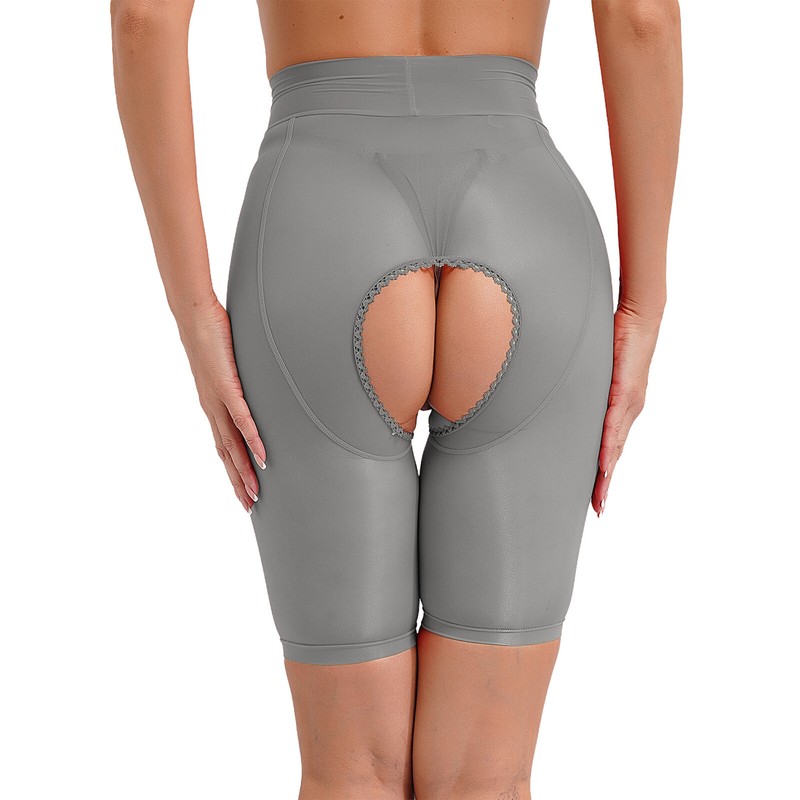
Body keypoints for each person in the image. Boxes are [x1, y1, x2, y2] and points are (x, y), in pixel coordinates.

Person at [111, 1, 682, 797]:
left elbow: (143, 17)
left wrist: (194, 312)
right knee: (486, 778)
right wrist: (644, 305)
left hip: (318, 220)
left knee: (351, 772)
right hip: (527, 216)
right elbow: (644, 18)